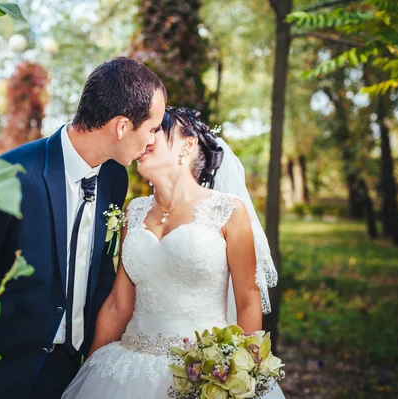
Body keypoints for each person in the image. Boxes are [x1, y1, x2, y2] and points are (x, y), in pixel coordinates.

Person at [0, 57, 167, 399]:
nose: (152, 141)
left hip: (65, 375)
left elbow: (101, 269)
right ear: (121, 127)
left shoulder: (114, 178)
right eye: (152, 128)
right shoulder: (8, 176)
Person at [62, 107, 284, 398]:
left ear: (187, 145)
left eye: (156, 129)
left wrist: (242, 374)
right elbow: (118, 304)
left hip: (202, 372)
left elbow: (248, 302)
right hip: (128, 369)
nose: (146, 136)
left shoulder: (227, 210)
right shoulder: (135, 212)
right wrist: (90, 366)